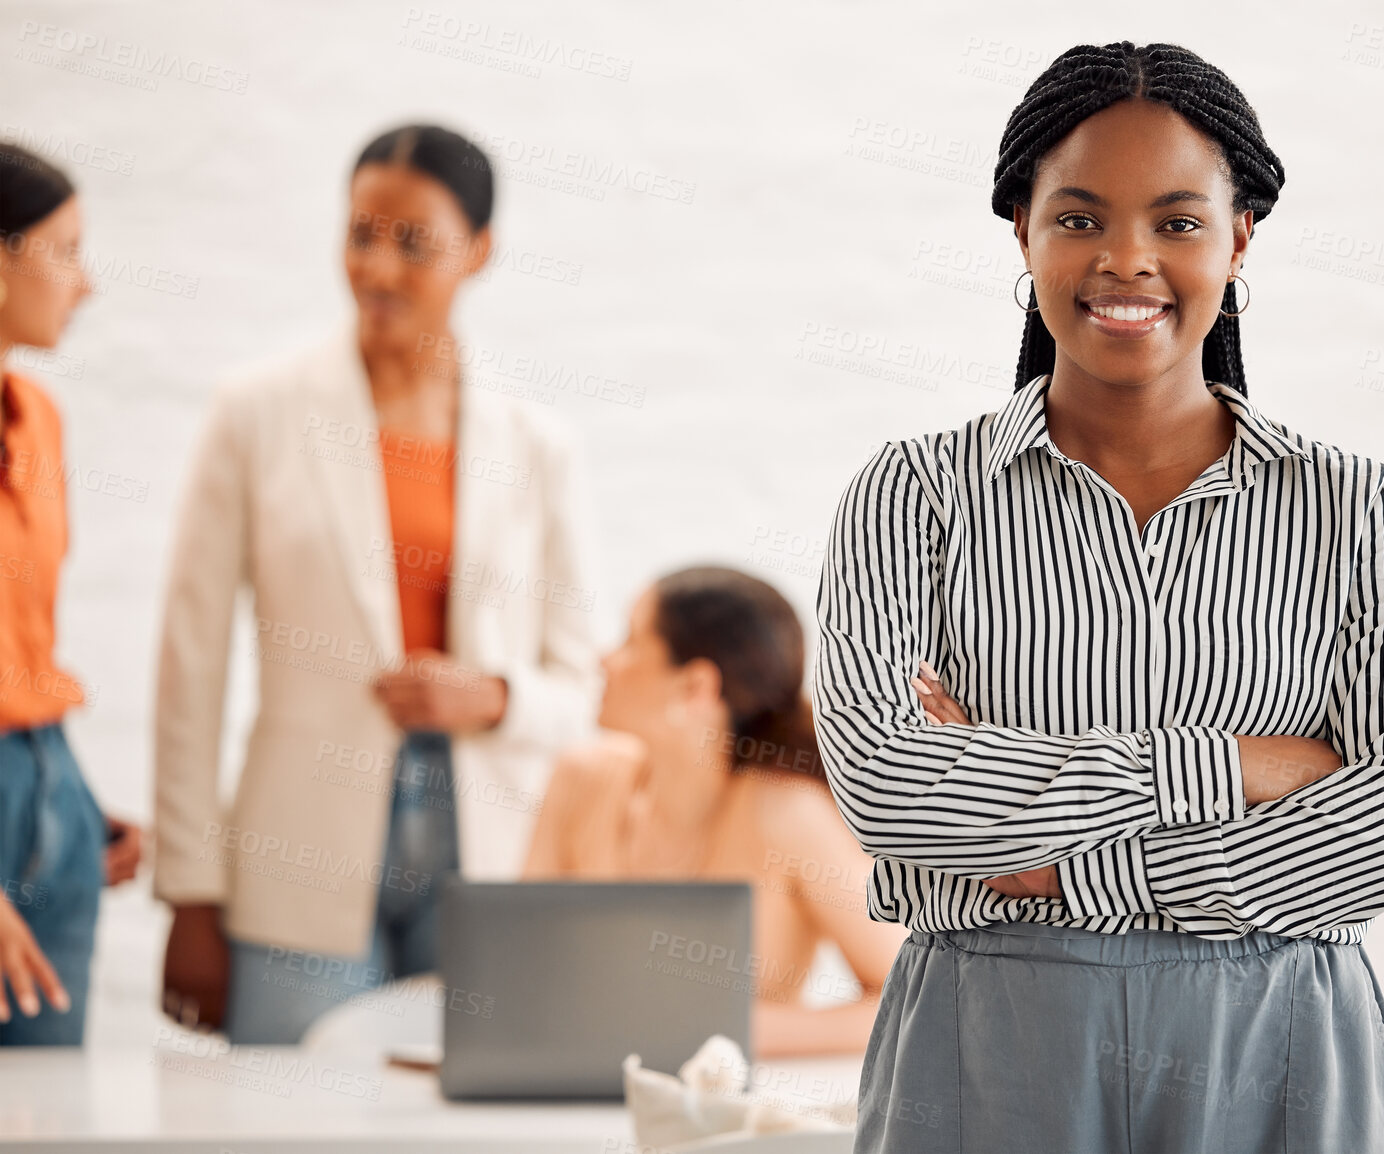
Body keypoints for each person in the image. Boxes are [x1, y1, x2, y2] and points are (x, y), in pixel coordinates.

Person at [813, 42, 1384, 1153]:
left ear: (1239, 234)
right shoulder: (914, 492)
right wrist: (1246, 765)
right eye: (1079, 219)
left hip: (1283, 1044)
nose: (1126, 260)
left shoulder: (1355, 504)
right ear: (1021, 229)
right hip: (988, 1044)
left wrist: (1051, 859)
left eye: (1176, 221)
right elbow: (889, 788)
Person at [153, 124, 602, 1044]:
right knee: (291, 1122)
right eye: (360, 234)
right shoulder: (256, 413)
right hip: (298, 852)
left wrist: (493, 696)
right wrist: (191, 893)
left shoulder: (536, 446)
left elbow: (582, 682)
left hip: (486, 850)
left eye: (413, 243)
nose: (378, 268)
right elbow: (189, 664)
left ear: (479, 252)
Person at [524, 566, 906, 1057]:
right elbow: (523, 966)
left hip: (716, 1115)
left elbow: (905, 998)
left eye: (631, 641)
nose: (604, 660)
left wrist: (723, 1032)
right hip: (560, 1096)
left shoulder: (788, 814)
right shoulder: (579, 777)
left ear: (696, 686)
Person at [0, 141, 144, 1044]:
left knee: (49, 1114)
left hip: (45, 777)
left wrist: (66, 799)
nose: (83, 284)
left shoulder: (39, 420)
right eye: (64, 250)